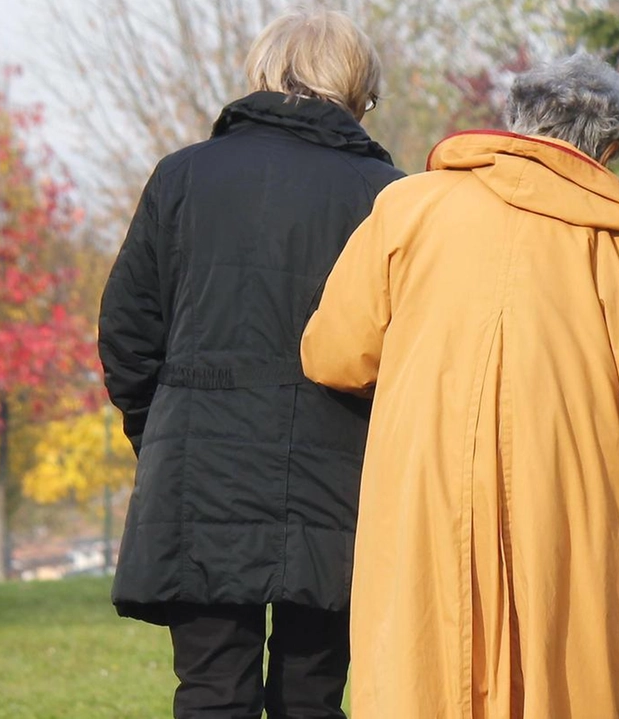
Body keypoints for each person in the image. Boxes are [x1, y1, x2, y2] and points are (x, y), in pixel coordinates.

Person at [301, 53, 619, 718]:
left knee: (427, 673)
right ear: (608, 147)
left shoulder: (407, 209)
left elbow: (334, 354)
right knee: (567, 676)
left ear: (516, 120)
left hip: (425, 494)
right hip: (570, 502)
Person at [97, 10, 402, 718]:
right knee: (312, 693)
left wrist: (163, 431)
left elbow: (126, 331)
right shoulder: (386, 196)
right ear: (356, 90)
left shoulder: (182, 178)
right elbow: (409, 351)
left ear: (264, 74)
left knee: (210, 692)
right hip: (339, 479)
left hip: (197, 472)